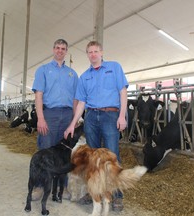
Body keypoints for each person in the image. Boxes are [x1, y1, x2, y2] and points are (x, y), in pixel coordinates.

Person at [64, 40, 128, 211]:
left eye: (95, 51)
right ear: (87, 55)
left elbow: (123, 92)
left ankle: (117, 196)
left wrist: (122, 115)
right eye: (89, 52)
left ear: (101, 52)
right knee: (91, 158)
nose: (93, 54)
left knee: (112, 156)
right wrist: (72, 124)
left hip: (110, 115)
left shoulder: (114, 67)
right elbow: (82, 102)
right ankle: (94, 192)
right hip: (91, 116)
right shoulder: (84, 76)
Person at [31, 39, 79, 200]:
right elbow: (39, 95)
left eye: (63, 48)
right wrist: (40, 118)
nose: (60, 50)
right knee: (45, 150)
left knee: (65, 153)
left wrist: (74, 120)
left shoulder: (72, 74)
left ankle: (62, 188)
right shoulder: (43, 70)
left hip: (67, 115)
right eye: (57, 48)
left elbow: (75, 99)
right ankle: (39, 187)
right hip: (49, 114)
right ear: (53, 49)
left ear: (66, 51)